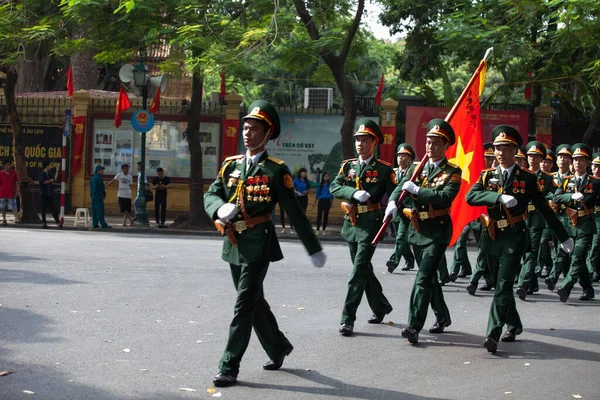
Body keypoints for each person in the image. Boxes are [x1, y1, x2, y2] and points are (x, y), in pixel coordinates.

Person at [204, 100, 325, 388]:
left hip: (259, 244)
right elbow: (211, 193)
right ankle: (278, 346)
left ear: (268, 134)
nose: (247, 133)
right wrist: (219, 209)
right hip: (233, 242)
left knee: (243, 305)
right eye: (245, 128)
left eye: (254, 129)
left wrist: (314, 248)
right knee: (254, 302)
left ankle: (228, 366)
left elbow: (295, 214)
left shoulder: (275, 171)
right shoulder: (230, 165)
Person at [466, 126, 571, 353]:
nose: (500, 153)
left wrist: (563, 237)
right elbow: (470, 196)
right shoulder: (487, 176)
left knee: (504, 285)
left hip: (514, 237)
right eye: (497, 148)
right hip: (492, 236)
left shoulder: (527, 178)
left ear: (515, 151)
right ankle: (514, 324)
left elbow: (544, 208)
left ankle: (493, 334)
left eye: (505, 148)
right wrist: (497, 196)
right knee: (497, 286)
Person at [387, 119, 461, 344]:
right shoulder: (415, 167)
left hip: (437, 231)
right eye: (428, 142)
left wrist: (419, 190)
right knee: (429, 279)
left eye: (436, 143)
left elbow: (445, 196)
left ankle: (413, 326)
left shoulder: (453, 172)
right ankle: (443, 317)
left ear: (445, 146)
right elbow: (400, 188)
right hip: (417, 228)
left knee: (422, 278)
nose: (431, 147)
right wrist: (392, 202)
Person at [331, 119, 396, 337]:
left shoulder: (384, 169)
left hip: (370, 223)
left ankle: (347, 319)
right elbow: (335, 186)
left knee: (358, 271)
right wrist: (352, 193)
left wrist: (393, 203)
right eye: (358, 139)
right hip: (351, 223)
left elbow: (395, 191)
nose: (360, 143)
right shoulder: (348, 165)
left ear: (374, 142)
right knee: (364, 269)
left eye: (365, 139)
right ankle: (381, 307)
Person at [552, 143, 599, 302]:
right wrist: (570, 197)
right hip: (569, 225)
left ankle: (567, 286)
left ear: (587, 162)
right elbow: (556, 198)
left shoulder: (595, 182)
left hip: (585, 225)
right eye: (575, 160)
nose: (578, 163)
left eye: (581, 159)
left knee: (577, 257)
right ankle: (588, 288)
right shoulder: (566, 181)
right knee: (577, 259)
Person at [515, 141, 557, 300]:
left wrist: (543, 199)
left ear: (541, 159)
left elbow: (555, 194)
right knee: (523, 252)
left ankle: (523, 284)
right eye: (530, 156)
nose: (532, 159)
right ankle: (533, 284)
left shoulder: (547, 178)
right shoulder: (521, 174)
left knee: (532, 253)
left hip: (537, 220)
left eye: (536, 156)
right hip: (522, 218)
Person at [545, 144, 575, 290]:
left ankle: (553, 276)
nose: (563, 160)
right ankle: (568, 272)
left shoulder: (573, 178)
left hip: (569, 217)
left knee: (564, 248)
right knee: (557, 248)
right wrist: (553, 199)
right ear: (556, 161)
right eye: (560, 157)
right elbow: (545, 193)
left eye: (566, 157)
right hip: (553, 216)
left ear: (571, 161)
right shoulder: (550, 178)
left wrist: (561, 198)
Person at [386, 143, 416, 273]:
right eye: (399, 155)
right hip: (395, 210)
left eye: (404, 156)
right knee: (401, 238)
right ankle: (409, 260)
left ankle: (393, 261)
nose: (400, 158)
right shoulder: (394, 172)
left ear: (409, 158)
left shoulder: (414, 172)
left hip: (407, 209)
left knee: (401, 236)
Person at [538, 149, 557, 278]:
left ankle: (548, 265)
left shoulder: (552, 179)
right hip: (537, 215)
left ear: (551, 165)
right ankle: (541, 266)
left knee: (547, 241)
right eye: (543, 161)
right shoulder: (533, 176)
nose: (544, 164)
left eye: (547, 162)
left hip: (551, 215)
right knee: (541, 242)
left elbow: (556, 193)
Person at [39, 161, 62, 228]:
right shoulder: (42, 174)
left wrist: (57, 171)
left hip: (50, 194)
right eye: (49, 165)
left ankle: (57, 222)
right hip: (44, 194)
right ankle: (44, 222)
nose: (50, 167)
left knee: (53, 209)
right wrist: (50, 181)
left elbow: (55, 179)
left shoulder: (50, 174)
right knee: (43, 209)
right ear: (46, 166)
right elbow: (44, 182)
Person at [588, 152, 600, 282]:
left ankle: (593, 269)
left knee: (596, 244)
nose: (597, 169)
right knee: (592, 243)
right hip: (590, 215)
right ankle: (591, 269)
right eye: (595, 166)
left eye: (599, 166)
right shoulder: (588, 180)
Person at [0, 160, 19, 225]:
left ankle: (17, 219)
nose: (9, 166)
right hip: (2, 193)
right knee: (3, 208)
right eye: (7, 165)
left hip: (11, 193)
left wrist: (17, 190)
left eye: (9, 165)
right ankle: (4, 219)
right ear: (4, 166)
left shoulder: (14, 173)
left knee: (14, 207)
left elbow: (16, 182)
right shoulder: (1, 173)